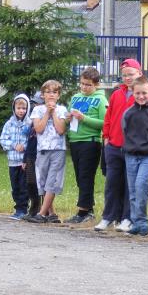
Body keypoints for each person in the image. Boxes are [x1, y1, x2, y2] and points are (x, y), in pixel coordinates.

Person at [97, 58, 145, 232]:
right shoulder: (117, 94)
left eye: (130, 74)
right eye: (124, 75)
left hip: (133, 148)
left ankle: (127, 217)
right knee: (112, 184)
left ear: (139, 73)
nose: (127, 78)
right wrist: (107, 137)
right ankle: (109, 217)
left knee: (129, 185)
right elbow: (109, 117)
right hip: (114, 146)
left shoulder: (143, 95)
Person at [121, 76, 148, 236]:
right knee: (133, 190)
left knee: (141, 187)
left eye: (144, 93)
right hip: (131, 156)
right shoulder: (128, 113)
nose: (141, 96)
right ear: (132, 93)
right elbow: (125, 130)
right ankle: (136, 222)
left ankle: (143, 222)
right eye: (137, 93)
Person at [65, 67, 108, 223]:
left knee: (86, 176)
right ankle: (87, 208)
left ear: (96, 84)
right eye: (82, 83)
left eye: (88, 85)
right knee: (79, 177)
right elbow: (68, 118)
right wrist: (68, 118)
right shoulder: (76, 97)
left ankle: (84, 212)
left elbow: (105, 123)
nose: (84, 87)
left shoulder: (101, 99)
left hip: (90, 142)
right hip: (75, 140)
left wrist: (84, 118)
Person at [26, 80, 68, 223]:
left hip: (58, 149)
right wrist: (47, 113)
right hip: (42, 149)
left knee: (53, 181)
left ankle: (42, 214)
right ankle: (52, 213)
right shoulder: (37, 110)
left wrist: (54, 112)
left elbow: (61, 130)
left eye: (54, 92)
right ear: (43, 95)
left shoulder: (62, 109)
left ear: (58, 95)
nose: (51, 95)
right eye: (48, 92)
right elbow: (39, 129)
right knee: (42, 181)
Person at [0, 93, 32, 220]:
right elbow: (3, 140)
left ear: (27, 108)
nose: (21, 111)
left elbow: (32, 140)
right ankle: (17, 208)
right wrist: (14, 145)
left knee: (24, 186)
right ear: (14, 108)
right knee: (15, 186)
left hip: (24, 162)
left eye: (24, 108)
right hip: (12, 161)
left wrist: (24, 147)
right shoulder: (9, 123)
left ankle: (23, 209)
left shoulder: (30, 123)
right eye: (19, 108)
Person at [22, 91, 43, 219]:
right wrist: (25, 158)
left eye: (38, 104)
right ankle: (33, 208)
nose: (35, 106)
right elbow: (29, 141)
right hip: (30, 155)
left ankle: (41, 210)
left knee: (39, 183)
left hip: (40, 154)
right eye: (34, 104)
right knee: (30, 183)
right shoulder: (32, 122)